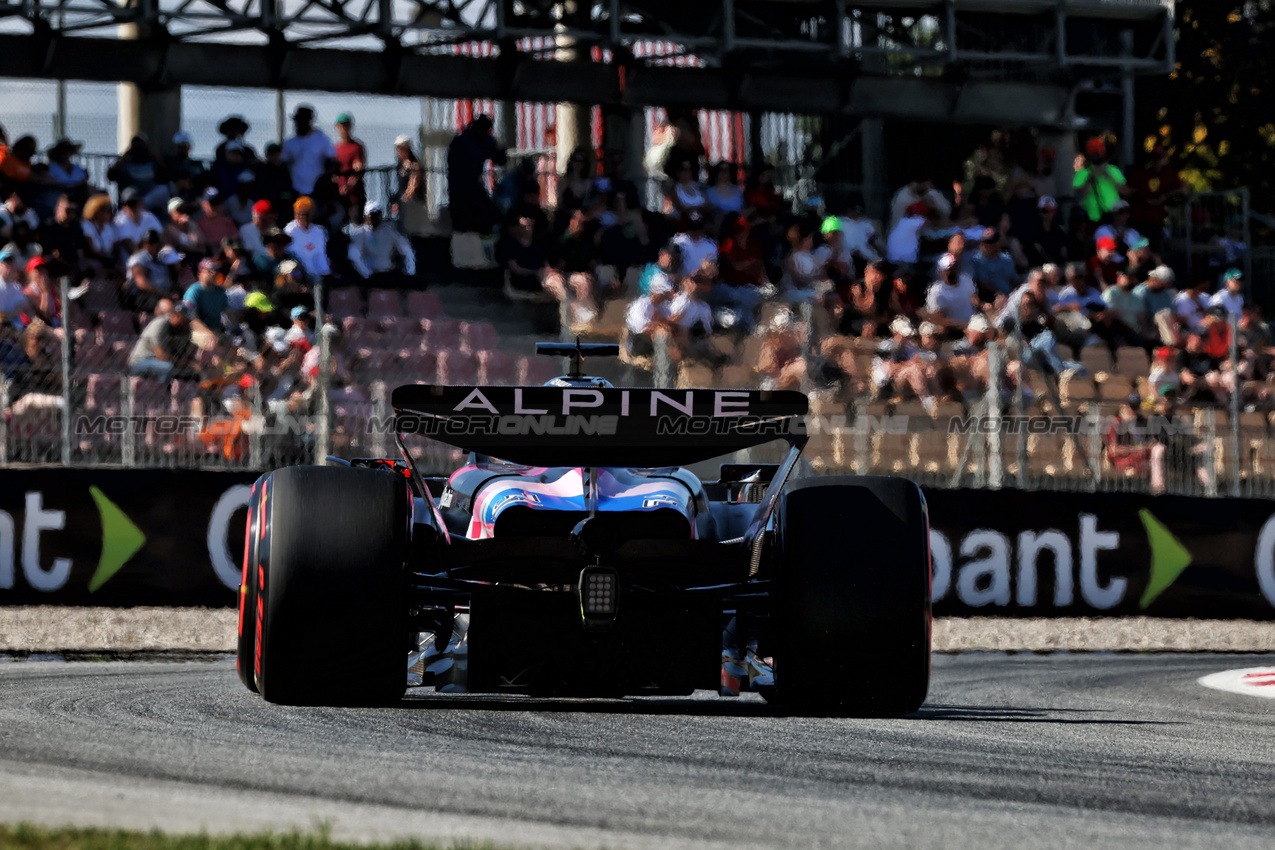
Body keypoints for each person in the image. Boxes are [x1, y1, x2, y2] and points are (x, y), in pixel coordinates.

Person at [446, 114, 506, 234]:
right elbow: (501, 160)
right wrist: (500, 149)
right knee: (485, 221)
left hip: (461, 190)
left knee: (465, 226)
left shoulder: (461, 140)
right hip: (465, 189)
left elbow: (500, 160)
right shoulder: (478, 141)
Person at [348, 201, 416, 285]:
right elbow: (354, 255)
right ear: (365, 217)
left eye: (377, 215)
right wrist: (367, 274)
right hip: (369, 277)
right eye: (371, 216)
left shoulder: (389, 231)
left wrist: (410, 271)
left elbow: (406, 248)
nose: (374, 219)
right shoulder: (360, 234)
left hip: (388, 273)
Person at [128, 300, 196, 379]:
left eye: (190, 319)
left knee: (192, 371)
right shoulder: (160, 324)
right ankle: (162, 390)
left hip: (165, 362)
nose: (188, 322)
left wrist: (190, 359)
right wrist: (182, 363)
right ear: (176, 315)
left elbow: (184, 354)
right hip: (141, 361)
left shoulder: (186, 329)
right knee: (166, 367)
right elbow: (161, 356)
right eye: (186, 319)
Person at [282, 105, 337, 197]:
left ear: (309, 121)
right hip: (296, 191)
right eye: (297, 121)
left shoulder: (321, 139)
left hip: (318, 191)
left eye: (303, 120)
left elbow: (332, 161)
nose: (299, 123)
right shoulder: (289, 143)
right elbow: (283, 164)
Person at [1072, 137, 1129, 224]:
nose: (1098, 154)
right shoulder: (1082, 173)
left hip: (1112, 219)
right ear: (1089, 154)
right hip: (1091, 220)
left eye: (1099, 151)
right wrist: (1090, 177)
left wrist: (1109, 175)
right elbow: (1079, 195)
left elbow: (1126, 192)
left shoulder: (1113, 170)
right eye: (1094, 152)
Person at [107, 134, 169, 212]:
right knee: (129, 194)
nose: (139, 147)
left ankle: (144, 206)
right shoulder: (126, 161)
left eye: (141, 144)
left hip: (149, 193)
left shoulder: (153, 160)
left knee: (163, 190)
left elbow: (166, 175)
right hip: (132, 191)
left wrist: (156, 158)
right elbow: (110, 176)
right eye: (136, 144)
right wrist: (123, 159)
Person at [125, 229, 182, 311]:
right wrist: (166, 295)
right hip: (142, 296)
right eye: (147, 243)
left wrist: (171, 252)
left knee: (187, 303)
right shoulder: (138, 258)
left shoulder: (160, 257)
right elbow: (141, 284)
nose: (149, 245)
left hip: (163, 294)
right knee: (168, 306)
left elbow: (178, 269)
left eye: (153, 243)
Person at [923, 253, 978, 337]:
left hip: (972, 322)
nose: (951, 271)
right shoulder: (936, 291)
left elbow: (974, 299)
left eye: (953, 268)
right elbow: (937, 318)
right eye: (948, 269)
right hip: (952, 328)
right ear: (941, 271)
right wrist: (960, 324)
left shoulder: (966, 280)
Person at [624, 276, 676, 358]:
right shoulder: (641, 304)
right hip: (638, 341)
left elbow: (670, 322)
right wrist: (660, 324)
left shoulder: (664, 307)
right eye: (663, 293)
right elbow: (641, 328)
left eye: (666, 293)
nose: (665, 296)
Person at [284, 196, 330, 278]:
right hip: (300, 275)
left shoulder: (319, 232)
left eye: (305, 214)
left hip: (319, 276)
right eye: (299, 214)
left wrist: (326, 273)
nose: (302, 217)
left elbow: (321, 255)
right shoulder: (290, 231)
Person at [112, 187, 164, 260]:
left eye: (135, 203)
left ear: (141, 203)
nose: (134, 207)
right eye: (130, 204)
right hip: (132, 262)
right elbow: (132, 249)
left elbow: (162, 239)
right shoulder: (120, 221)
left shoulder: (149, 217)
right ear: (124, 206)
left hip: (152, 258)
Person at [970, 228, 1018, 301]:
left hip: (1010, 296)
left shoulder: (1007, 259)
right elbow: (983, 284)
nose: (989, 245)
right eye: (987, 243)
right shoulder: (977, 260)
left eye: (993, 242)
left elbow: (1014, 279)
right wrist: (1001, 295)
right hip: (991, 298)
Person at [184, 258, 229, 333]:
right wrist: (207, 333)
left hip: (217, 329)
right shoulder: (194, 291)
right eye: (210, 270)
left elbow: (227, 311)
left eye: (216, 270)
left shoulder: (220, 291)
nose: (214, 273)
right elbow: (190, 318)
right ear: (200, 273)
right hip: (199, 331)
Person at [332, 113, 367, 209]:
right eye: (342, 125)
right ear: (337, 127)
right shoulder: (335, 149)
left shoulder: (357, 147)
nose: (344, 128)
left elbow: (358, 170)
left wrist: (348, 186)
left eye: (347, 125)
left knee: (356, 222)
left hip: (355, 197)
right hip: (338, 197)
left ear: (351, 126)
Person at [391, 135, 424, 217]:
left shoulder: (415, 165)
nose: (398, 151)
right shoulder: (400, 164)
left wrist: (403, 200)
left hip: (412, 202)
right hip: (401, 198)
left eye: (401, 148)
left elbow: (413, 186)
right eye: (397, 148)